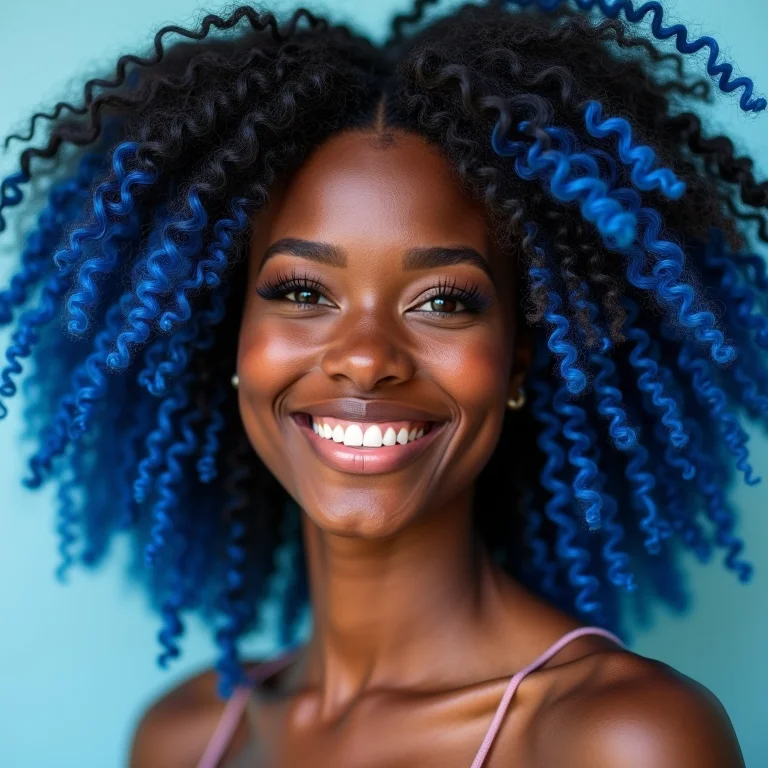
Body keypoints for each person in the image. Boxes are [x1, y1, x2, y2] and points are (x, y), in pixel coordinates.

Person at [0, 0, 762, 764]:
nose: (365, 358)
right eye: (302, 292)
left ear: (519, 356)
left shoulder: (621, 739)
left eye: (445, 301)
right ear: (228, 335)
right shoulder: (184, 737)